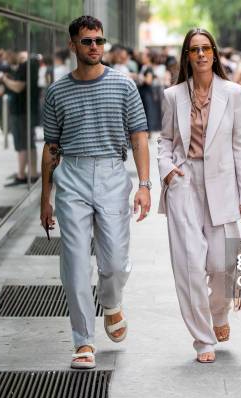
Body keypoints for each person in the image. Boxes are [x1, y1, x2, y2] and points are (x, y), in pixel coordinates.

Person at [40, 15, 150, 370]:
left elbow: (138, 138)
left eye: (99, 41)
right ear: (72, 45)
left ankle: (111, 301)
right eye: (87, 41)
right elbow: (51, 146)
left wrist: (145, 185)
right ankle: (83, 341)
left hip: (111, 173)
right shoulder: (57, 91)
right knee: (73, 263)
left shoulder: (123, 85)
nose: (94, 47)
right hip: (70, 174)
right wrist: (46, 197)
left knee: (115, 261)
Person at [157, 28, 241, 363]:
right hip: (184, 183)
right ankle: (202, 339)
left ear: (214, 53)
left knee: (221, 264)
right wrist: (167, 170)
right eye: (194, 49)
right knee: (189, 266)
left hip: (223, 184)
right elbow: (165, 141)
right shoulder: (173, 95)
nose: (200, 55)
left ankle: (219, 313)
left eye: (206, 48)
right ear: (187, 56)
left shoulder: (234, 93)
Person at [0, 50, 40, 186]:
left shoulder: (25, 67)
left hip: (21, 111)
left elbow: (18, 87)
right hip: (27, 110)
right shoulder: (31, 67)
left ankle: (22, 175)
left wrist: (3, 79)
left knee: (22, 145)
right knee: (29, 143)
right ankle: (32, 174)